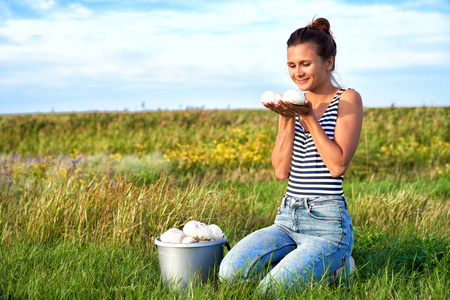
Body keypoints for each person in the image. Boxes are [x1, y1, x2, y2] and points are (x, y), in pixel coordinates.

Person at [219, 17, 363, 296]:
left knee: (269, 292)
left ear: (328, 63)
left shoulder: (347, 99)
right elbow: (281, 171)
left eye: (305, 64)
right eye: (292, 65)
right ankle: (309, 263)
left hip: (327, 224)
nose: (298, 72)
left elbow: (337, 165)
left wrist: (307, 117)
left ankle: (339, 264)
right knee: (229, 274)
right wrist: (287, 118)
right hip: (287, 218)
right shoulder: (294, 103)